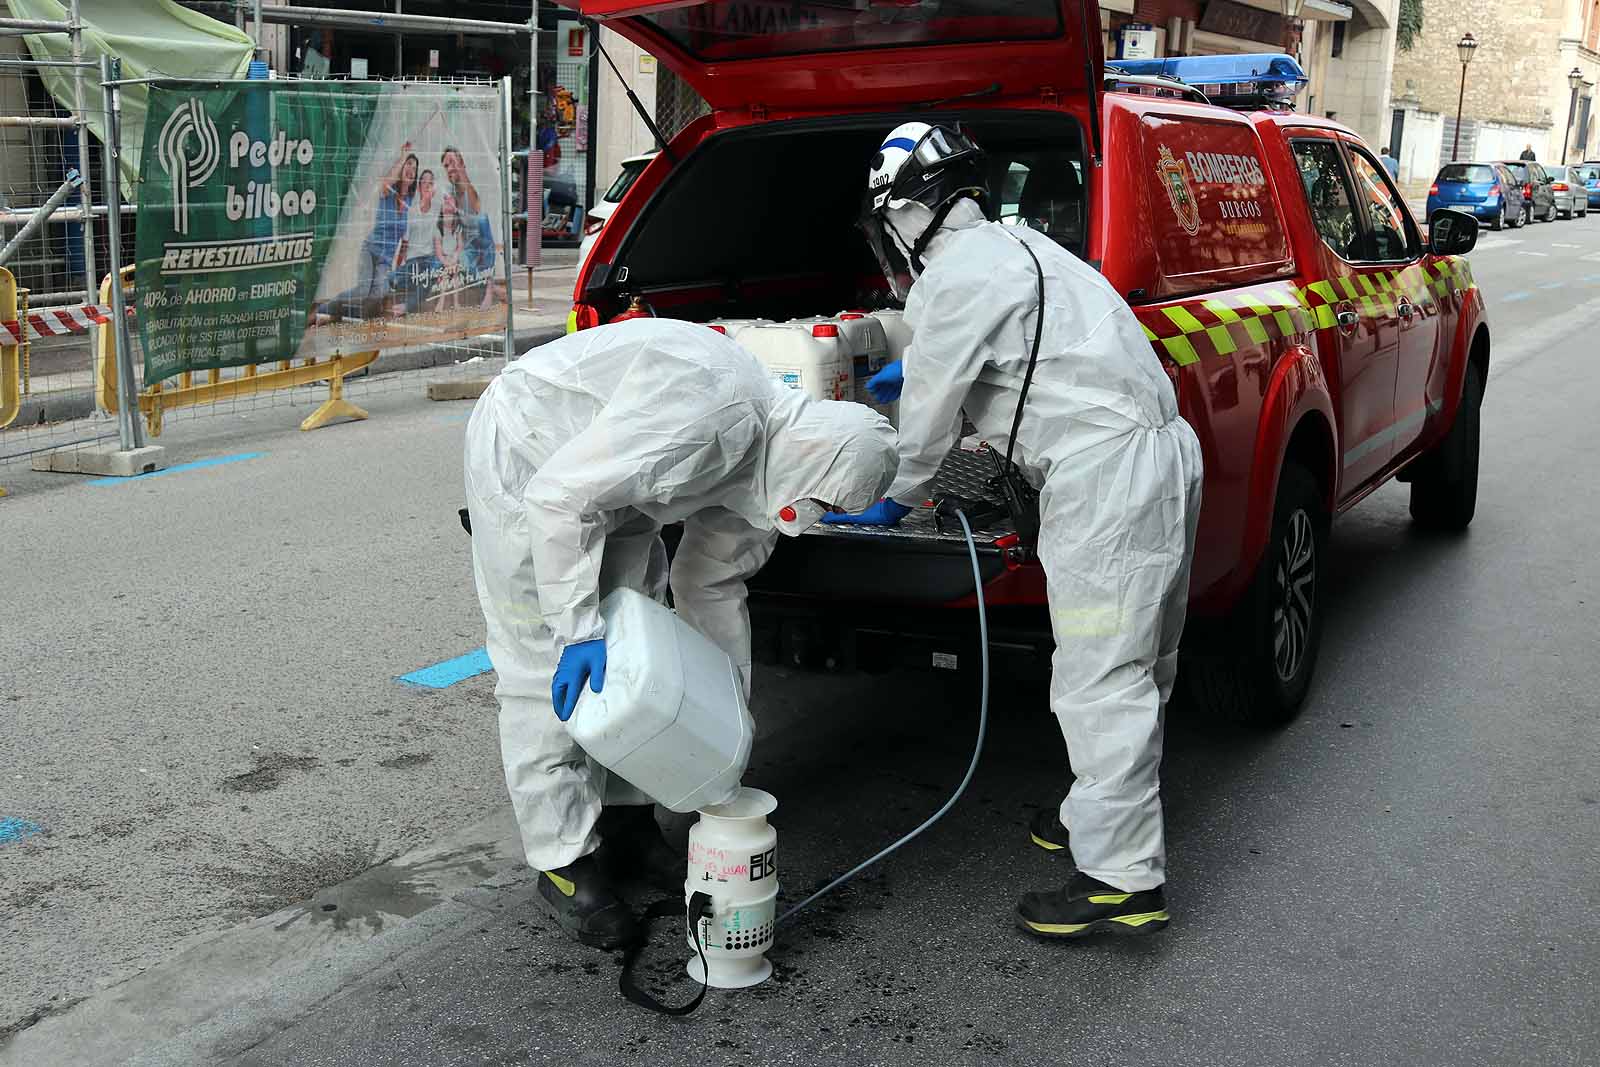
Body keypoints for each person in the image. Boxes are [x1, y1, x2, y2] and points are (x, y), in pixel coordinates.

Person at [827, 123, 1203, 939]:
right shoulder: (1018, 244)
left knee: (1102, 674)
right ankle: (1100, 812)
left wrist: (896, 494)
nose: (890, 236)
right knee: (1142, 660)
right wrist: (922, 360)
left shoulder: (957, 275)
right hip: (1165, 454)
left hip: (1106, 478)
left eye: (889, 219)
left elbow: (925, 415)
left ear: (913, 212)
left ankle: (1120, 878)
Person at [463, 319, 898, 948]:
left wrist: (726, 713)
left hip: (613, 491)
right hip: (531, 456)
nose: (813, 519)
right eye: (823, 505)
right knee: (543, 663)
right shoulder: (711, 418)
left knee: (644, 650)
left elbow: (711, 587)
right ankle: (563, 860)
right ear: (812, 466)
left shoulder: (780, 471)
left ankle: (631, 826)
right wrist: (577, 629)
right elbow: (560, 500)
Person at [320, 145, 417, 320]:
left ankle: (353, 319)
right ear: (401, 168)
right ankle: (323, 310)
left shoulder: (411, 201)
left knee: (379, 292)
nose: (412, 169)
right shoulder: (388, 192)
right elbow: (386, 182)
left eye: (415, 168)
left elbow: (405, 243)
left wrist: (397, 267)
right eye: (409, 164)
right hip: (370, 250)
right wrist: (403, 156)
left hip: (385, 261)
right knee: (362, 291)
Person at [389, 167, 440, 314]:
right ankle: (406, 279)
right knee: (393, 278)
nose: (427, 185)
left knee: (429, 276)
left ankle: (407, 307)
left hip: (430, 261)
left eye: (430, 182)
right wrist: (398, 266)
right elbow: (404, 244)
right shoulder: (412, 212)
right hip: (413, 262)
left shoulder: (438, 210)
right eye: (424, 182)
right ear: (419, 187)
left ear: (434, 188)